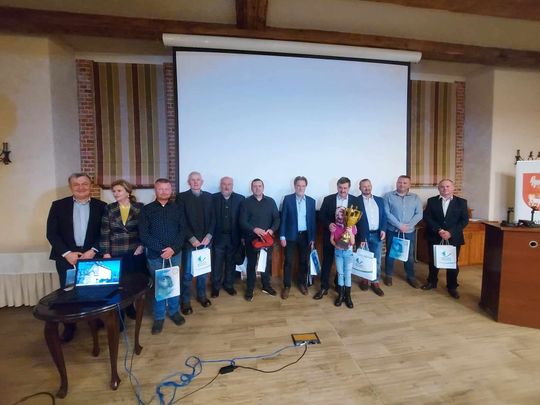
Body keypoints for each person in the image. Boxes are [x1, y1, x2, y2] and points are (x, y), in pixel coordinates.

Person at [46, 173, 106, 342]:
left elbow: (105, 232)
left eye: (84, 183)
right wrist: (67, 254)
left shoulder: (102, 206)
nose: (81, 187)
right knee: (69, 293)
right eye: (76, 184)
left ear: (90, 185)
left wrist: (93, 250)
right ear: (70, 187)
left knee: (93, 291)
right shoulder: (58, 205)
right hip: (66, 258)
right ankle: (69, 326)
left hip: (91, 256)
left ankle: (94, 319)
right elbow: (52, 233)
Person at [139, 178, 185, 334]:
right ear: (155, 190)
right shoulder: (146, 210)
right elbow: (144, 234)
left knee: (173, 283)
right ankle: (159, 317)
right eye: (161, 189)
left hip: (175, 254)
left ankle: (174, 311)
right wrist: (161, 250)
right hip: (155, 255)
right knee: (159, 286)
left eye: (167, 189)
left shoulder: (178, 208)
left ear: (171, 190)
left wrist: (173, 249)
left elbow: (183, 231)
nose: (164, 191)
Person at [99, 179, 145, 319]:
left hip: (134, 251)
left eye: (119, 190)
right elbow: (105, 232)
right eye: (114, 191)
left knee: (132, 282)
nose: (115, 193)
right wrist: (106, 253)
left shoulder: (140, 207)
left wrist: (141, 245)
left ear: (128, 192)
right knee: (118, 284)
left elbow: (144, 230)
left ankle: (131, 308)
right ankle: (119, 313)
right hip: (115, 252)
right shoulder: (109, 208)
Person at [421, 179, 469, 299]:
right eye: (442, 187)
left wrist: (450, 232)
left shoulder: (461, 202)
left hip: (453, 237)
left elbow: (464, 220)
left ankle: (452, 287)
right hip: (435, 235)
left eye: (448, 186)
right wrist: (439, 230)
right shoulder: (432, 201)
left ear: (453, 188)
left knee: (452, 263)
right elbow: (427, 217)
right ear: (439, 188)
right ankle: (432, 282)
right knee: (433, 261)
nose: (445, 188)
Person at [176, 171, 215, 315]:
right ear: (189, 182)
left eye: (198, 179)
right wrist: (191, 238)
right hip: (190, 243)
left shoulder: (209, 197)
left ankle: (201, 296)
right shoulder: (181, 197)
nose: (196, 182)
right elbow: (181, 220)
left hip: (205, 242)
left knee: (202, 272)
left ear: (202, 182)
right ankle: (185, 301)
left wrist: (209, 236)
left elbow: (213, 219)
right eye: (192, 180)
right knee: (187, 274)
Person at [314, 177, 359, 300]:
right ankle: (324, 287)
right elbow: (321, 216)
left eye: (345, 188)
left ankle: (340, 287)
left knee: (343, 265)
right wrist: (329, 224)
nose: (342, 190)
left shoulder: (355, 200)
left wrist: (359, 237)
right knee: (327, 262)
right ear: (337, 187)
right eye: (340, 187)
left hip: (348, 238)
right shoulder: (328, 199)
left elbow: (359, 219)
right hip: (331, 236)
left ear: (349, 188)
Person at [239, 178, 280, 301]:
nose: (257, 188)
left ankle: (266, 286)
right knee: (251, 265)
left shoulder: (271, 201)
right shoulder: (246, 202)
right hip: (251, 239)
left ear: (263, 187)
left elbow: (277, 219)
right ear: (251, 188)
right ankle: (249, 289)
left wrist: (271, 230)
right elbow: (242, 221)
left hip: (267, 240)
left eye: (259, 186)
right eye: (255, 186)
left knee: (266, 264)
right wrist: (254, 229)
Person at [279, 176, 316, 299]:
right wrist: (282, 236)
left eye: (303, 186)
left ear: (306, 187)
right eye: (298, 185)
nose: (300, 188)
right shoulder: (288, 199)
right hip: (290, 235)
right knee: (288, 261)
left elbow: (313, 222)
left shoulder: (311, 201)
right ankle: (287, 286)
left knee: (303, 261)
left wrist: (312, 238)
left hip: (305, 236)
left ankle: (301, 283)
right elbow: (283, 218)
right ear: (294, 186)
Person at [383, 175, 423, 288]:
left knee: (409, 255)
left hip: (408, 232)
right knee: (390, 254)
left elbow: (419, 214)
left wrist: (407, 226)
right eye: (400, 182)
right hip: (392, 230)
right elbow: (386, 213)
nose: (402, 184)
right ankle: (388, 275)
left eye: (405, 183)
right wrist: (399, 225)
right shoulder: (388, 196)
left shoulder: (415, 198)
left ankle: (411, 276)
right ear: (397, 183)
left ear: (409, 185)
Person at [211, 176, 245, 298]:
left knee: (231, 262)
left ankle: (228, 285)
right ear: (220, 185)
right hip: (218, 237)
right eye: (224, 184)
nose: (226, 186)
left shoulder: (240, 199)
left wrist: (242, 237)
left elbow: (243, 219)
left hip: (234, 237)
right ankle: (215, 287)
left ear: (232, 186)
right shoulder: (213, 198)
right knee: (217, 263)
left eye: (229, 184)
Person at [356, 178, 387, 297]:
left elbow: (384, 217)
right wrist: (361, 237)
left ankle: (375, 282)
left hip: (377, 235)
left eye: (368, 186)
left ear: (371, 186)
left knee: (377, 260)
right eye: (364, 186)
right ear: (360, 188)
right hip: (363, 236)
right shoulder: (356, 201)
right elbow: (354, 220)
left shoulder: (379, 200)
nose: (367, 188)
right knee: (364, 259)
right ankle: (364, 280)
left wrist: (383, 229)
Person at [331, 207, 357, 308]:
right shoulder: (334, 226)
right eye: (337, 214)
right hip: (338, 253)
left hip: (348, 253)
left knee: (348, 274)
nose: (339, 216)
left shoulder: (351, 226)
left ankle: (348, 297)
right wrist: (335, 245)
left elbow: (352, 242)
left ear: (346, 215)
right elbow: (331, 239)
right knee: (340, 274)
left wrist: (350, 232)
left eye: (341, 214)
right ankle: (340, 296)